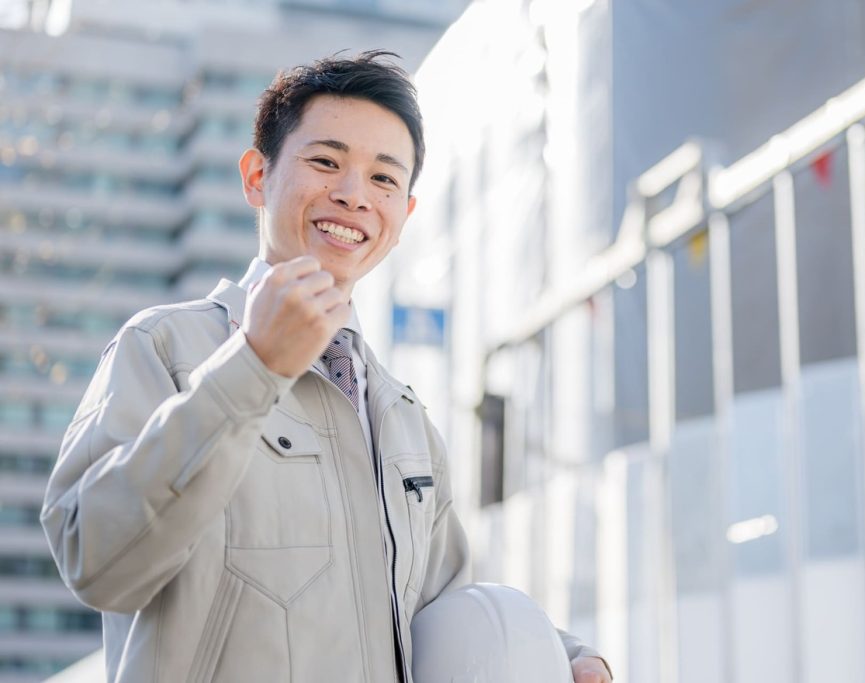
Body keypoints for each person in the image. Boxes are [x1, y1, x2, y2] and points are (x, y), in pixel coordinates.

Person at [40, 51, 613, 682]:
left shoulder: (404, 418)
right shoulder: (163, 347)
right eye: (326, 161)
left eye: (384, 180)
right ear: (257, 175)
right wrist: (253, 368)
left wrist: (558, 655)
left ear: (404, 218)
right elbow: (95, 557)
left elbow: (436, 610)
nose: (353, 195)